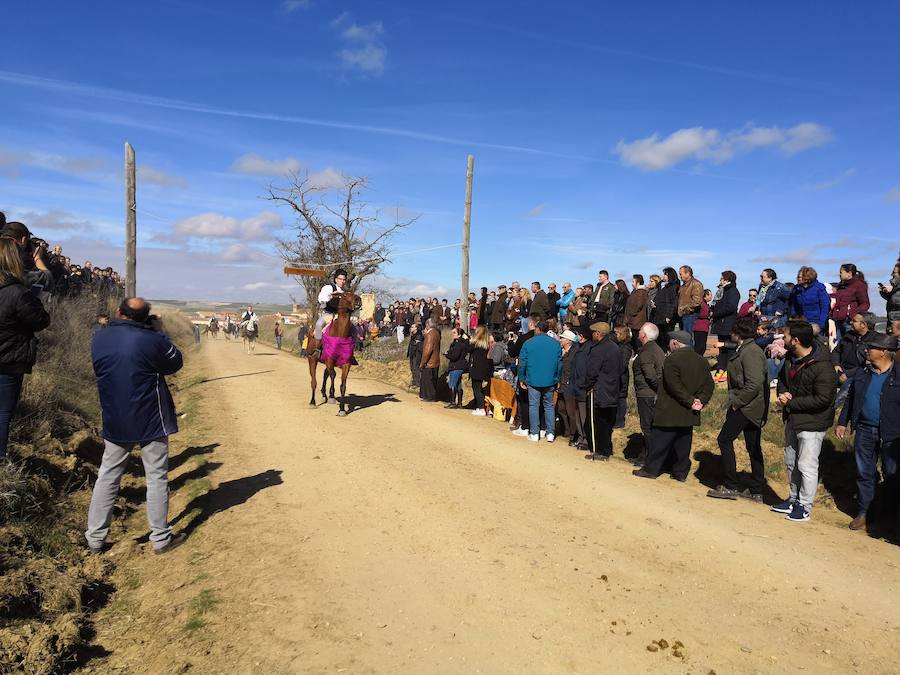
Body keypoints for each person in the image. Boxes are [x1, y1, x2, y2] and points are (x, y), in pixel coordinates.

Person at [85, 297, 185, 554]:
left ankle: (95, 539)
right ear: (146, 318)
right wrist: (159, 332)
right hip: (152, 417)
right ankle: (161, 539)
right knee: (156, 476)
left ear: (119, 312)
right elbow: (175, 362)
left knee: (108, 475)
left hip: (115, 416)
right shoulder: (152, 340)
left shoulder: (99, 338)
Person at [771, 320, 837, 522]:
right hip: (793, 418)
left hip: (813, 422)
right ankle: (793, 498)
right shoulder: (791, 358)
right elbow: (783, 379)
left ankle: (804, 506)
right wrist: (782, 393)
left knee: (806, 465)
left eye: (786, 336)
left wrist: (791, 403)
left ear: (796, 340)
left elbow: (824, 399)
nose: (783, 339)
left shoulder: (823, 366)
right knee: (791, 461)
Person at [836, 333, 900, 533]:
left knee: (893, 476)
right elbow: (851, 399)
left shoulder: (898, 375)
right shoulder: (863, 374)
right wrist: (842, 422)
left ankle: (888, 518)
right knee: (865, 474)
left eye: (871, 347)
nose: (866, 350)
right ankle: (864, 513)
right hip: (864, 429)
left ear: (883, 352)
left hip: (892, 434)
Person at [633, 330, 714, 481]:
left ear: (675, 343)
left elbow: (673, 385)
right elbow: (709, 386)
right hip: (689, 413)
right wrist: (699, 401)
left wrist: (690, 401)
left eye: (670, 341)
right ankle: (680, 473)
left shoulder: (672, 359)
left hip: (669, 410)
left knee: (659, 442)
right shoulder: (702, 361)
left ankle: (651, 469)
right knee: (683, 445)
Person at [707, 316, 770, 502]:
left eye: (733, 331)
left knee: (724, 439)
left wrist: (737, 402)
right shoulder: (746, 348)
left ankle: (730, 485)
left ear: (739, 333)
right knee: (752, 446)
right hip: (750, 405)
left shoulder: (750, 352)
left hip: (747, 406)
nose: (731, 333)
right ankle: (757, 489)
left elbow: (754, 383)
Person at [0, 239, 51, 462]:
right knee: (2, 412)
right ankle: (1, 459)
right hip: (8, 359)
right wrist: (37, 301)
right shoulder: (18, 292)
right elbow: (40, 321)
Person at [582, 321, 622, 460]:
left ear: (598, 334)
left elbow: (592, 372)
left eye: (593, 332)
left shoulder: (598, 349)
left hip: (599, 390)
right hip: (612, 389)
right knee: (606, 423)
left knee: (597, 422)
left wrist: (588, 386)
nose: (592, 335)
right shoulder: (615, 348)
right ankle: (606, 449)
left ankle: (599, 450)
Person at [518, 320, 562, 441]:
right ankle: (550, 433)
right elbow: (559, 364)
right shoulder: (555, 344)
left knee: (534, 405)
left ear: (537, 329)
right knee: (549, 406)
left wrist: (521, 378)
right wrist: (558, 378)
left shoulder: (528, 343)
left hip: (533, 379)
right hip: (550, 379)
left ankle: (535, 433)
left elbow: (522, 363)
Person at [632, 322, 665, 466]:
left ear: (643, 335)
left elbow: (650, 376)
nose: (638, 332)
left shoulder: (646, 352)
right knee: (649, 426)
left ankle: (649, 459)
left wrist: (659, 390)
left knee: (647, 427)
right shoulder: (655, 349)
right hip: (650, 392)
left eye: (640, 331)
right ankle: (644, 455)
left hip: (647, 394)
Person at [832, 312, 879, 408]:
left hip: (860, 373)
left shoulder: (875, 340)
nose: (850, 322)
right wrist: (836, 364)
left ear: (863, 325)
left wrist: (848, 374)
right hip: (840, 369)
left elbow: (869, 364)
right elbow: (836, 351)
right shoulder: (849, 335)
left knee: (847, 387)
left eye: (854, 321)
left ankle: (832, 408)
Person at [711, 270, 741, 377]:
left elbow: (731, 307)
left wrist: (715, 313)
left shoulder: (733, 291)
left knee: (729, 348)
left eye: (721, 278)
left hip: (727, 323)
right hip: (721, 324)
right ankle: (721, 368)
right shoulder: (723, 291)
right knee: (721, 348)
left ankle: (729, 370)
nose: (720, 280)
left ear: (727, 279)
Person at [831, 263, 870, 339]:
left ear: (849, 273)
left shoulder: (859, 285)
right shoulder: (841, 286)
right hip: (838, 320)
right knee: (840, 345)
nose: (839, 274)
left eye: (841, 272)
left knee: (850, 343)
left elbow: (865, 303)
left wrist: (852, 314)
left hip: (850, 322)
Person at [556, 329, 582, 445]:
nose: (560, 340)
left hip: (569, 386)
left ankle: (573, 435)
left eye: (562, 338)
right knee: (561, 409)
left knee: (571, 412)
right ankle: (566, 431)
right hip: (561, 384)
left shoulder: (574, 353)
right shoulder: (563, 352)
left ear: (568, 341)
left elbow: (571, 370)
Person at [789, 266, 830, 335]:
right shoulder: (796, 289)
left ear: (807, 278)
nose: (798, 279)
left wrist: (821, 324)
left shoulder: (819, 288)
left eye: (800, 277)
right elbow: (793, 305)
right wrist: (793, 318)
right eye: (798, 277)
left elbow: (825, 307)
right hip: (801, 322)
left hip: (815, 322)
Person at [313, 269, 348, 350]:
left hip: (341, 317)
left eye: (344, 279)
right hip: (328, 314)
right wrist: (331, 296)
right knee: (318, 324)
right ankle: (317, 347)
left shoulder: (346, 292)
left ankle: (351, 351)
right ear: (336, 279)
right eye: (340, 279)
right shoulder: (329, 288)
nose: (342, 281)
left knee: (354, 330)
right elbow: (321, 299)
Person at [467, 326, 493, 416]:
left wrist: (468, 339)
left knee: (476, 389)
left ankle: (481, 408)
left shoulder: (476, 343)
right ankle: (479, 407)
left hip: (476, 368)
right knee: (479, 388)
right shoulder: (485, 344)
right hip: (482, 369)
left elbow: (468, 349)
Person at [651, 267, 679, 350]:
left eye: (665, 274)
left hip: (666, 317)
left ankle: (667, 353)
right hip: (659, 314)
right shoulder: (664, 286)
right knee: (660, 337)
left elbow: (673, 303)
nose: (663, 276)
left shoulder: (673, 287)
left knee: (666, 337)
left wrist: (669, 316)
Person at [444, 327, 469, 409]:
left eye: (454, 333)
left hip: (456, 366)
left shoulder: (458, 344)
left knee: (452, 384)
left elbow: (455, 356)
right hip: (459, 366)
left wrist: (447, 354)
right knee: (458, 385)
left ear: (459, 334)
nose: (452, 334)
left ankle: (453, 402)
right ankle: (459, 403)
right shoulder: (462, 343)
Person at [613, 325, 632, 428]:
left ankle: (620, 421)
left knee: (621, 398)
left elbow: (623, 364)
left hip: (622, 377)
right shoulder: (619, 345)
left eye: (617, 333)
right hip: (618, 376)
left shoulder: (626, 347)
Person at [677, 265, 703, 335]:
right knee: (683, 339)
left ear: (687, 273)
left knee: (687, 338)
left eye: (680, 274)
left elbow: (697, 301)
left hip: (690, 315)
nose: (680, 276)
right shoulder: (683, 286)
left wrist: (684, 309)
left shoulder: (696, 284)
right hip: (684, 315)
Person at [419, 318, 440, 401]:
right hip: (435, 360)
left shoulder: (430, 334)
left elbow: (428, 350)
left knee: (427, 381)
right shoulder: (436, 332)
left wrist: (423, 362)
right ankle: (431, 396)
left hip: (430, 362)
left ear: (427, 325)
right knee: (432, 380)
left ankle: (429, 397)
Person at [624, 275, 649, 345]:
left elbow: (638, 305)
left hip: (637, 321)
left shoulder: (640, 292)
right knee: (635, 340)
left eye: (633, 281)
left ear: (637, 282)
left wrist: (631, 313)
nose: (631, 283)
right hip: (634, 320)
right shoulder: (635, 291)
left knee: (638, 340)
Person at [692, 289, 712, 357]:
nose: (711, 296)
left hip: (704, 328)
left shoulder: (705, 304)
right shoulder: (701, 304)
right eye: (710, 295)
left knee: (702, 347)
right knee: (699, 347)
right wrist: (709, 314)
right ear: (705, 296)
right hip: (699, 328)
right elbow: (700, 314)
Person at [407, 322, 424, 388]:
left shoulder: (419, 335)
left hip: (417, 354)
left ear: (416, 328)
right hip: (412, 354)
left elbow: (418, 345)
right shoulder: (413, 335)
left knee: (416, 368)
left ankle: (417, 384)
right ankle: (414, 382)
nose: (411, 328)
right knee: (412, 368)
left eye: (412, 327)